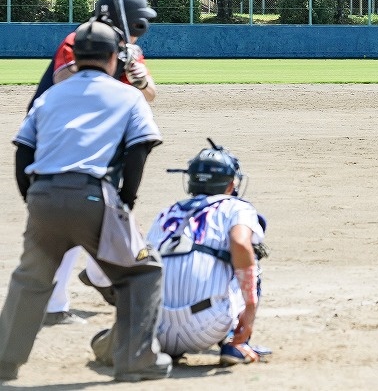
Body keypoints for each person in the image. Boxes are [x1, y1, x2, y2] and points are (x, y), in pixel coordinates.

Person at [0, 20, 171, 382]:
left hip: (44, 196)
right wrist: (126, 200)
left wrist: (33, 199)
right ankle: (135, 361)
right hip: (94, 197)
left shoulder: (49, 96)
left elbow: (23, 150)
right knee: (142, 274)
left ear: (74, 57)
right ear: (113, 58)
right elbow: (140, 147)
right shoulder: (128, 95)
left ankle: (4, 362)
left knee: (30, 280)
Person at [27, 0, 158, 326]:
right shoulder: (81, 40)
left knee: (107, 214)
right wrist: (116, 66)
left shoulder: (128, 49)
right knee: (72, 218)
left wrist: (140, 79)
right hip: (62, 140)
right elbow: (64, 78)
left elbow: (149, 96)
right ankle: (54, 305)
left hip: (100, 143)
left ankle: (99, 275)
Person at [88, 139, 271, 367]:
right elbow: (240, 243)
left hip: (155, 328)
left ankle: (138, 342)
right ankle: (236, 343)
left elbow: (142, 262)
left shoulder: (167, 213)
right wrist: (250, 308)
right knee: (251, 259)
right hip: (210, 326)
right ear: (231, 184)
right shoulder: (237, 206)